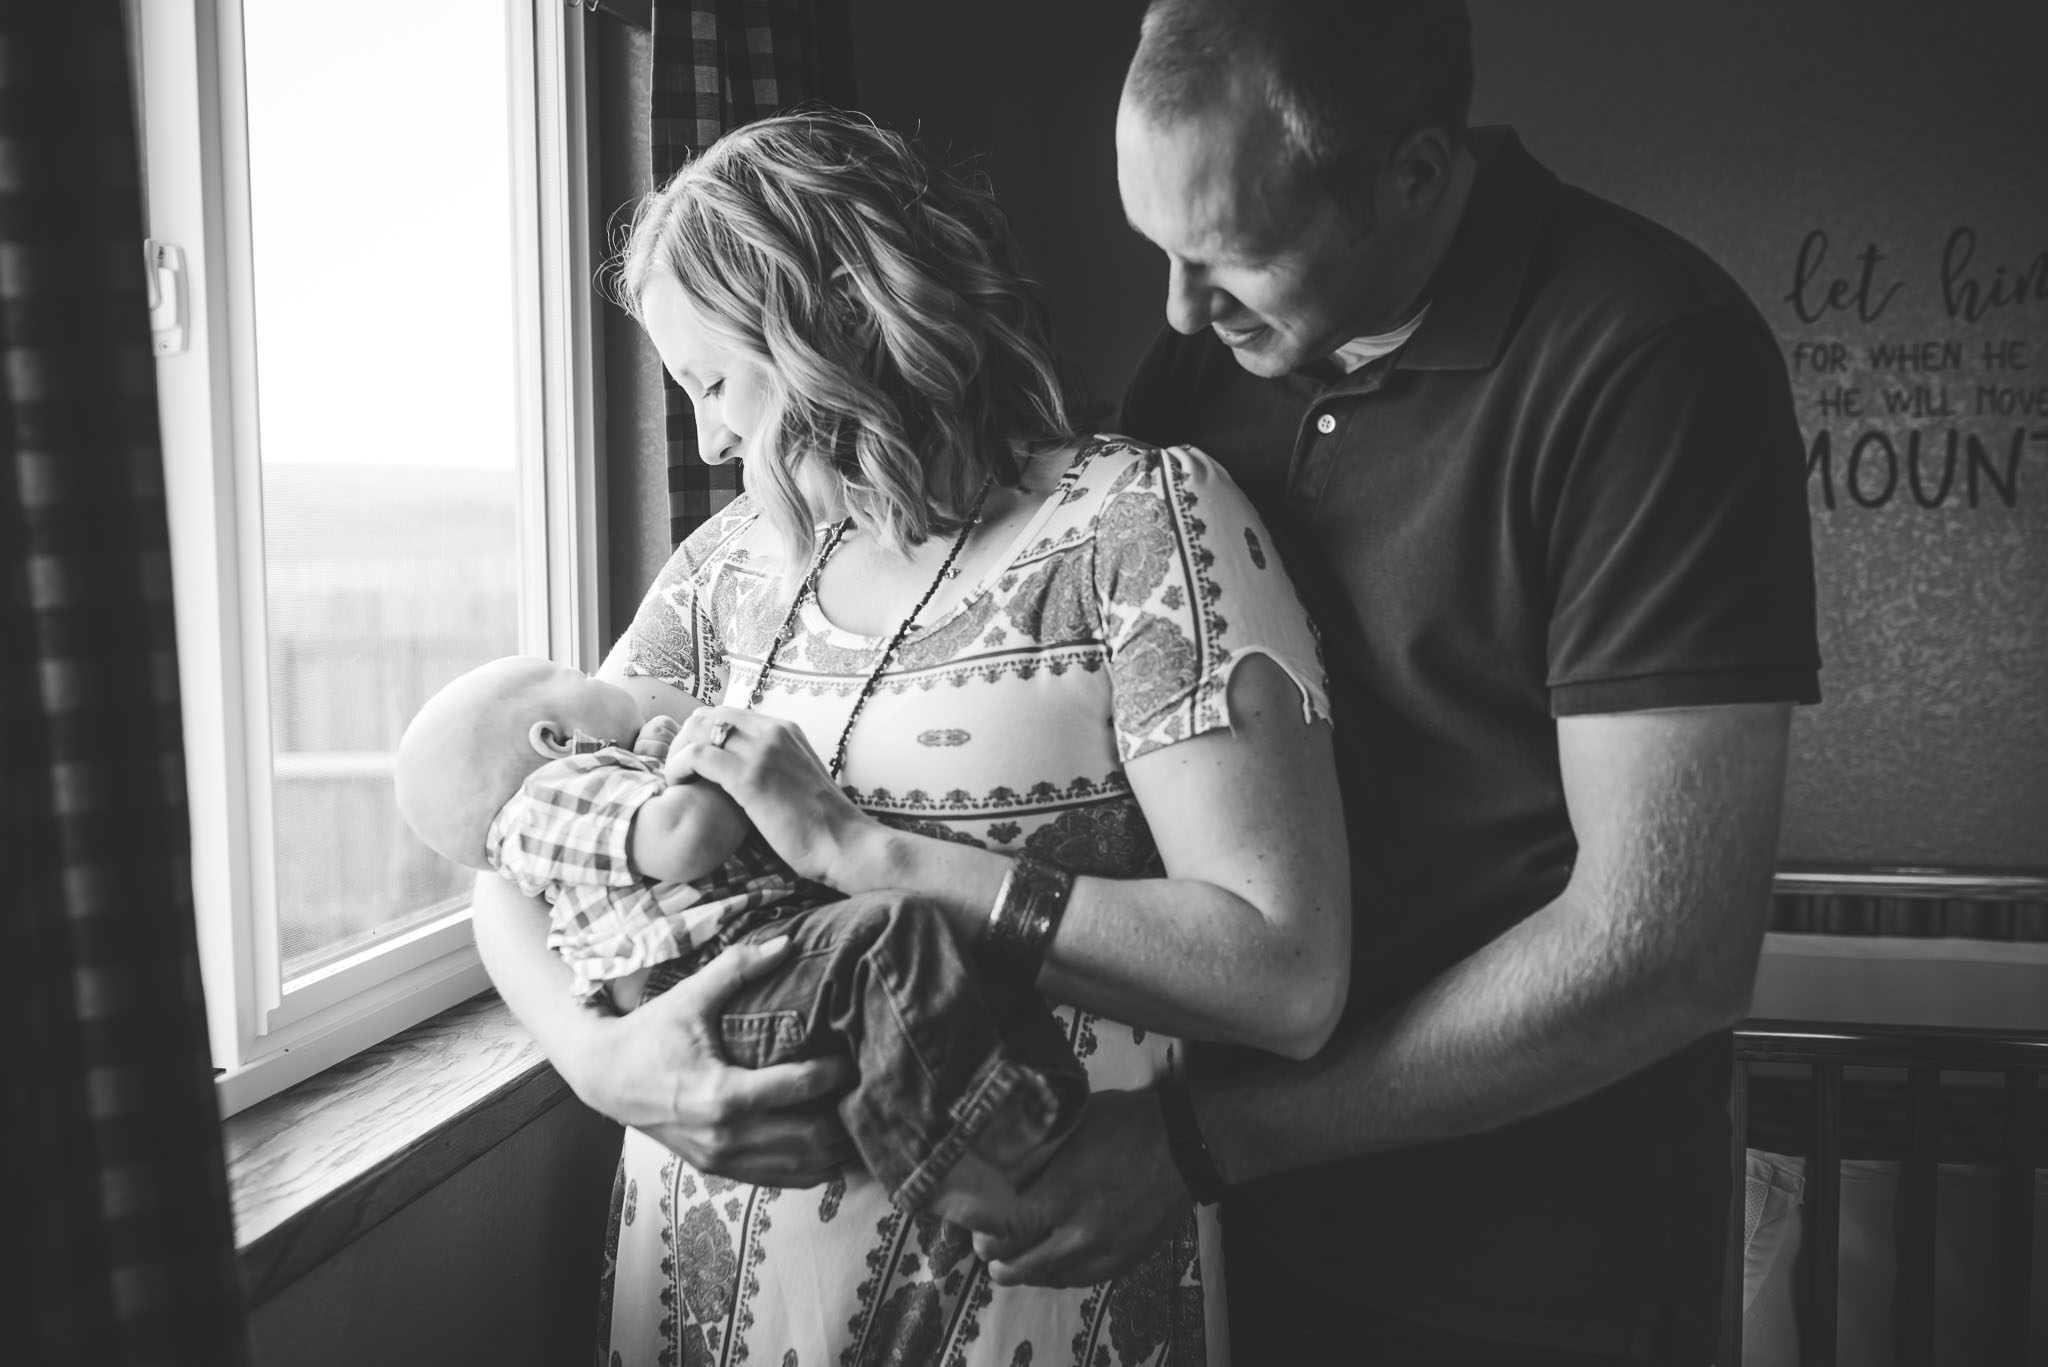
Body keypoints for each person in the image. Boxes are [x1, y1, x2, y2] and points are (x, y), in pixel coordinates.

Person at [965, 2, 1822, 1365]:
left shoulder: (1650, 356)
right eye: (1159, 249)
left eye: (1230, 253)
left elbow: (1665, 950)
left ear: (1414, 174)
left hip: (1541, 1265)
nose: (1178, 309)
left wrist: (1204, 1140)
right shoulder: (1201, 368)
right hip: (1239, 1230)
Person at [469, 110, 1352, 1365]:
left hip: (1024, 1293)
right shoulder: (723, 574)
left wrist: (865, 854)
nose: (710, 441)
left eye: (713, 384)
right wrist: (603, 1061)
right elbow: (513, 852)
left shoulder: (1137, 527)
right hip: (706, 1295)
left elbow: (1286, 972)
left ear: (826, 321)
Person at [391, 653, 1088, 1228]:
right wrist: (711, 757)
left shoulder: (590, 786)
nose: (610, 677)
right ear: (553, 739)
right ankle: (944, 1160)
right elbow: (688, 837)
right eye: (580, 675)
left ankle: (1038, 1115)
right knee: (891, 932)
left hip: (764, 960)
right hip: (712, 984)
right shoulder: (553, 796)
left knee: (950, 953)